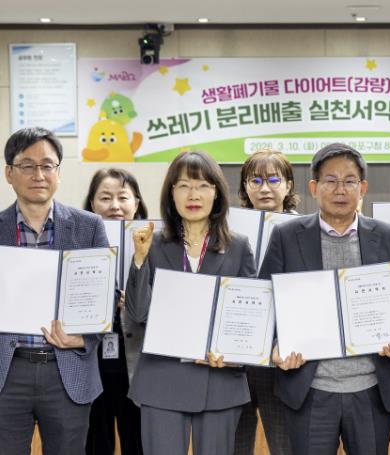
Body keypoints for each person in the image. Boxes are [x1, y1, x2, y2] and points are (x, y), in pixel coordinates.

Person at [258, 143, 390, 455]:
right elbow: (267, 297)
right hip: (310, 387)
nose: (340, 189)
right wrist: (276, 343)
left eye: (349, 181)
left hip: (371, 387)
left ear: (363, 188)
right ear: (314, 187)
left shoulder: (387, 235)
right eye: (330, 181)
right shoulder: (287, 236)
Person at [125, 151, 257, 455]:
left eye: (202, 186)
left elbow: (250, 317)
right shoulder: (152, 244)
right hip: (162, 380)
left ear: (217, 193)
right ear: (171, 193)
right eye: (183, 186)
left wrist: (235, 353)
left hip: (220, 380)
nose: (193, 195)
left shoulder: (238, 246)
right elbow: (137, 312)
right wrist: (140, 260)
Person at [0, 127, 108, 454]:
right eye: (27, 165)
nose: (38, 175)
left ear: (58, 172)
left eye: (47, 165)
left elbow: (104, 296)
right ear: (9, 173)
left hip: (66, 371)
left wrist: (85, 338)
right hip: (7, 372)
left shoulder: (89, 226)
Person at [234, 150, 297, 455]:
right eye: (255, 181)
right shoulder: (227, 230)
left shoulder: (305, 229)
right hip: (235, 357)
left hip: (283, 358)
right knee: (234, 445)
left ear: (288, 185)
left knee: (285, 446)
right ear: (245, 187)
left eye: (273, 180)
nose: (265, 188)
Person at [84, 168, 148, 455]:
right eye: (105, 198)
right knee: (95, 443)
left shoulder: (156, 244)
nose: (115, 206)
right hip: (91, 362)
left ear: (136, 203)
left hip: (137, 364)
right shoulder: (78, 244)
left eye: (123, 197)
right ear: (92, 204)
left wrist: (138, 300)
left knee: (138, 443)